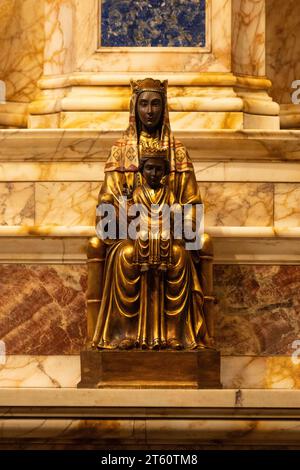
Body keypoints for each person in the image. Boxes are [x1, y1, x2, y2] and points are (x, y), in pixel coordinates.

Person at [91, 77, 212, 350]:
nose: (149, 110)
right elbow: (106, 203)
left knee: (179, 258)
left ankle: (175, 334)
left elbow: (193, 205)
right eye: (143, 103)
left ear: (164, 107)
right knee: (125, 257)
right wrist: (127, 216)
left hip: (171, 233)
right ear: (135, 107)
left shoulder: (178, 152)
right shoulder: (121, 151)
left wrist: (176, 222)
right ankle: (124, 334)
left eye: (156, 103)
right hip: (131, 234)